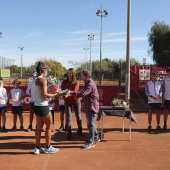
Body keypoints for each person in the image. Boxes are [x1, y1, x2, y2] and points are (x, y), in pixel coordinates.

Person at [66, 69, 100, 149]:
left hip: (92, 107)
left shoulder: (90, 85)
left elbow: (83, 93)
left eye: (82, 76)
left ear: (87, 76)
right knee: (91, 124)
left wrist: (70, 92)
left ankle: (91, 142)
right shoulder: (88, 83)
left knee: (90, 125)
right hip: (90, 107)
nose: (81, 78)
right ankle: (96, 136)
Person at [33, 61, 61, 154]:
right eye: (46, 69)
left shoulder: (35, 79)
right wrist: (55, 94)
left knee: (39, 128)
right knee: (49, 126)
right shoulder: (43, 80)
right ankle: (48, 147)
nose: (47, 71)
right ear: (43, 70)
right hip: (43, 106)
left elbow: (42, 92)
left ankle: (37, 148)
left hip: (36, 106)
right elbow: (45, 95)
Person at [61, 68, 83, 140]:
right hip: (67, 102)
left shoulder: (76, 82)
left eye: (71, 73)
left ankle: (79, 129)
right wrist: (59, 93)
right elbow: (62, 90)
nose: (69, 75)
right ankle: (69, 133)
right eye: (68, 73)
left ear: (73, 74)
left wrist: (67, 93)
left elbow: (75, 91)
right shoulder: (64, 82)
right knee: (68, 117)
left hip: (76, 101)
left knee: (78, 116)